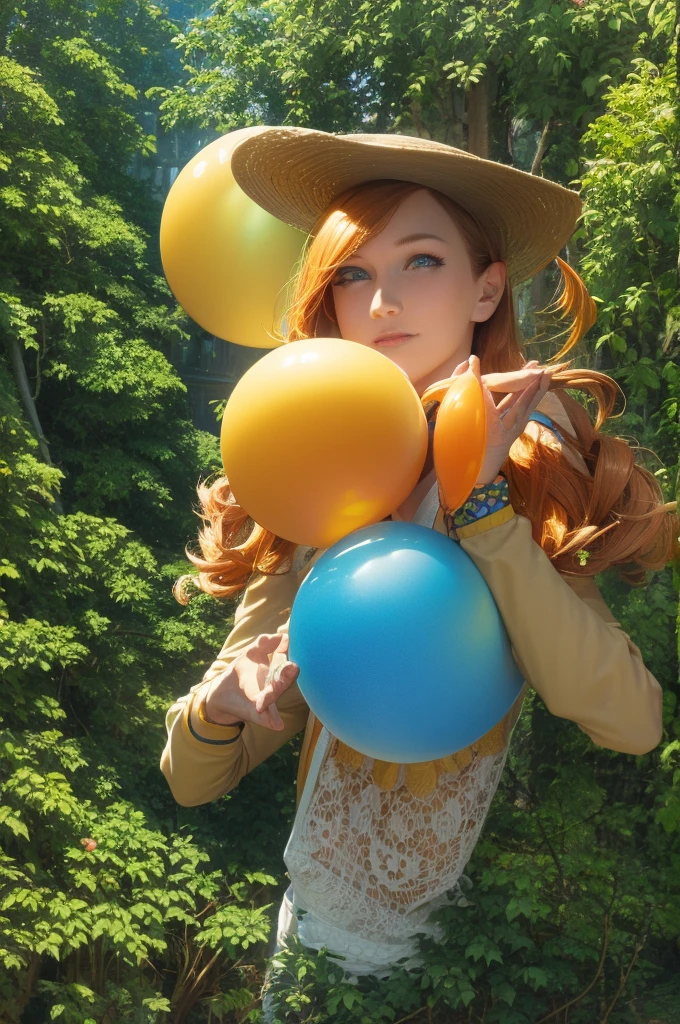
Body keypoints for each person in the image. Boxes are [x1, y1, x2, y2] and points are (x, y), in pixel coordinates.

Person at [160, 130, 677, 1013]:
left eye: (422, 259)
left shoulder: (530, 477)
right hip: (312, 962)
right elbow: (192, 777)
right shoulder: (314, 476)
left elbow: (632, 721)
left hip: (472, 972)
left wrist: (482, 512)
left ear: (486, 288)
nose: (383, 299)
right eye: (353, 273)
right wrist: (218, 705)